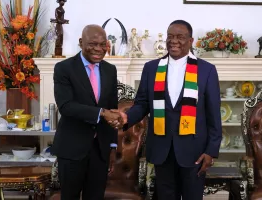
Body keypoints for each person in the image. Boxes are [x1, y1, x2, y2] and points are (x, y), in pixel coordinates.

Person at [114, 20, 222, 200]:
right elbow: (142, 104)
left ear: (190, 41)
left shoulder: (206, 70)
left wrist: (211, 151)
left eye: (180, 37)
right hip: (161, 149)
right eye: (170, 36)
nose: (173, 41)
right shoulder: (152, 68)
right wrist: (126, 118)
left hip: (194, 150)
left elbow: (213, 114)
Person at [51, 24, 121, 200]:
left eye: (102, 44)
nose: (98, 49)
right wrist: (102, 113)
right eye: (92, 44)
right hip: (72, 148)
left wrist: (112, 146)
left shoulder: (110, 70)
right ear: (81, 42)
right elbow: (66, 106)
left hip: (100, 149)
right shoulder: (64, 68)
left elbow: (113, 108)